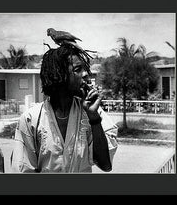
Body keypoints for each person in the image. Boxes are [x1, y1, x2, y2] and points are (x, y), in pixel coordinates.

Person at [10, 45, 118, 173]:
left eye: (84, 69)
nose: (85, 74)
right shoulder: (31, 119)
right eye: (78, 69)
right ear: (59, 75)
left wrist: (94, 119)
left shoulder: (92, 113)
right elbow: (23, 171)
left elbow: (105, 165)